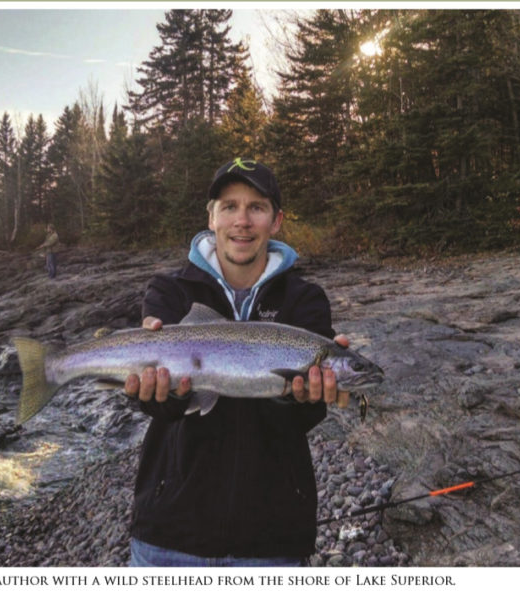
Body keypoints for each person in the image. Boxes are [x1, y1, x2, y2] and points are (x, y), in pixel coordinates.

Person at [123, 158, 351, 567]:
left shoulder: (305, 300)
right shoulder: (169, 292)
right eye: (229, 206)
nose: (241, 221)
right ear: (211, 217)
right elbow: (156, 407)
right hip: (167, 535)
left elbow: (304, 416)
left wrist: (301, 398)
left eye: (256, 207)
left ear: (276, 221)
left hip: (272, 539)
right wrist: (159, 394)